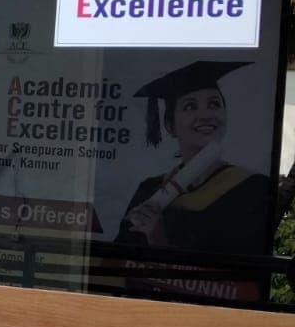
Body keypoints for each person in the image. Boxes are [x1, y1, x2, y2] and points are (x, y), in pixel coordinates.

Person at [116, 59, 272, 284]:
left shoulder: (252, 189)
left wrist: (161, 240)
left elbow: (240, 277)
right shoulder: (149, 190)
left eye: (214, 104)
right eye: (190, 106)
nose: (206, 115)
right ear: (170, 125)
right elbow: (117, 266)